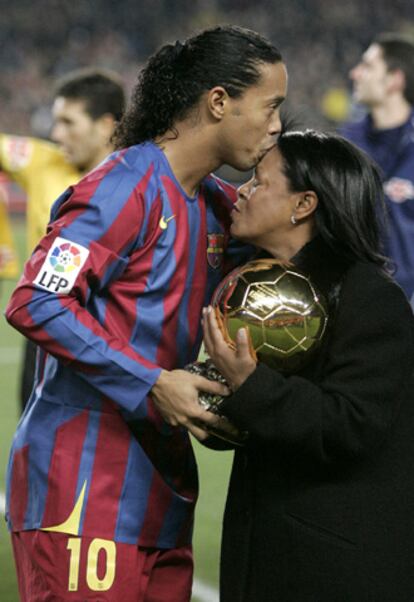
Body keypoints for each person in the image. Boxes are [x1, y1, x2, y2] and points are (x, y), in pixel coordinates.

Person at [5, 25, 287, 601]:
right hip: (83, 491)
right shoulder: (121, 188)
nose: (277, 125)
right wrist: (153, 381)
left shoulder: (213, 202)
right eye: (270, 106)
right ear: (218, 103)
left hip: (163, 492)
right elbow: (35, 299)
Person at [201, 130, 414, 602]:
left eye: (259, 182)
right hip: (272, 554)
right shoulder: (263, 290)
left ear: (303, 204)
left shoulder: (371, 298)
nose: (242, 191)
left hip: (337, 571)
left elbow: (351, 425)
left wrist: (248, 384)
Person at [0, 67, 126, 409]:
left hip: (106, 329)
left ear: (106, 125)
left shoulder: (136, 180)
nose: (56, 134)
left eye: (69, 123)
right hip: (41, 322)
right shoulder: (42, 162)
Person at [340, 33, 414, 307]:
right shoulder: (344, 145)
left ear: (395, 79)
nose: (355, 73)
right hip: (357, 308)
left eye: (368, 66)